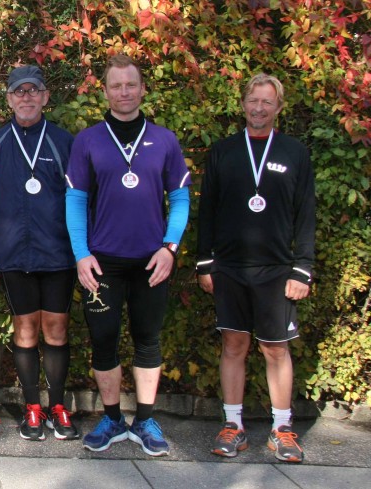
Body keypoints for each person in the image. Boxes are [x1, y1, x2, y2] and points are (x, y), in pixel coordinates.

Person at [65, 54, 191, 456]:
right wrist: (81, 254)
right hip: (102, 261)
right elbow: (74, 200)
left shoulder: (164, 139)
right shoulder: (88, 140)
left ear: (142, 89)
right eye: (116, 85)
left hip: (152, 260)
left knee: (148, 340)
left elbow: (181, 197)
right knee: (103, 341)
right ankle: (113, 418)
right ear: (105, 91)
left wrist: (171, 247)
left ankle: (146, 420)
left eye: (130, 84)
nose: (123, 92)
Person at [197, 73, 315, 463]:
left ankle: (282, 428)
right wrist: (204, 261)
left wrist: (303, 269)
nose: (259, 108)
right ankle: (234, 426)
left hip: (277, 269)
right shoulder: (224, 151)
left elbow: (306, 215)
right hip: (229, 267)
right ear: (243, 104)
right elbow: (208, 209)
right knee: (234, 345)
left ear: (278, 107)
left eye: (267, 102)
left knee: (275, 349)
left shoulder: (295, 152)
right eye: (253, 101)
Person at [0, 65, 79, 441]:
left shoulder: (65, 143)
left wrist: (82, 252)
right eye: (18, 92)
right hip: (13, 255)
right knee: (25, 330)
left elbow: (80, 200)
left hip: (58, 255)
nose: (26, 98)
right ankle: (32, 407)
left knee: (56, 329)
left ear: (45, 96)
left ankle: (57, 406)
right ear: (8, 98)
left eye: (32, 91)